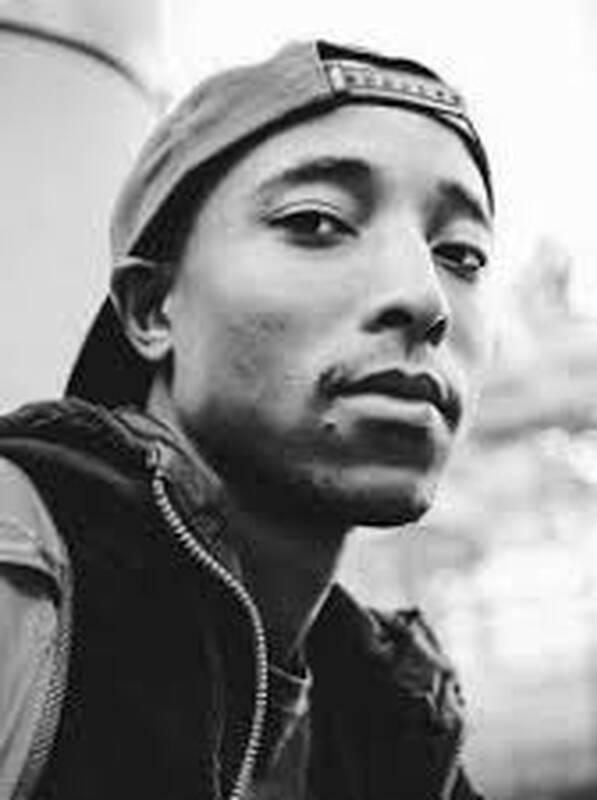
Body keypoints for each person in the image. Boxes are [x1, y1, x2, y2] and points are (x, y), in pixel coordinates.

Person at [0, 39, 495, 799]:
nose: (425, 299)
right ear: (152, 308)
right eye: (318, 222)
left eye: (461, 254)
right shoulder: (21, 568)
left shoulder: (385, 719)